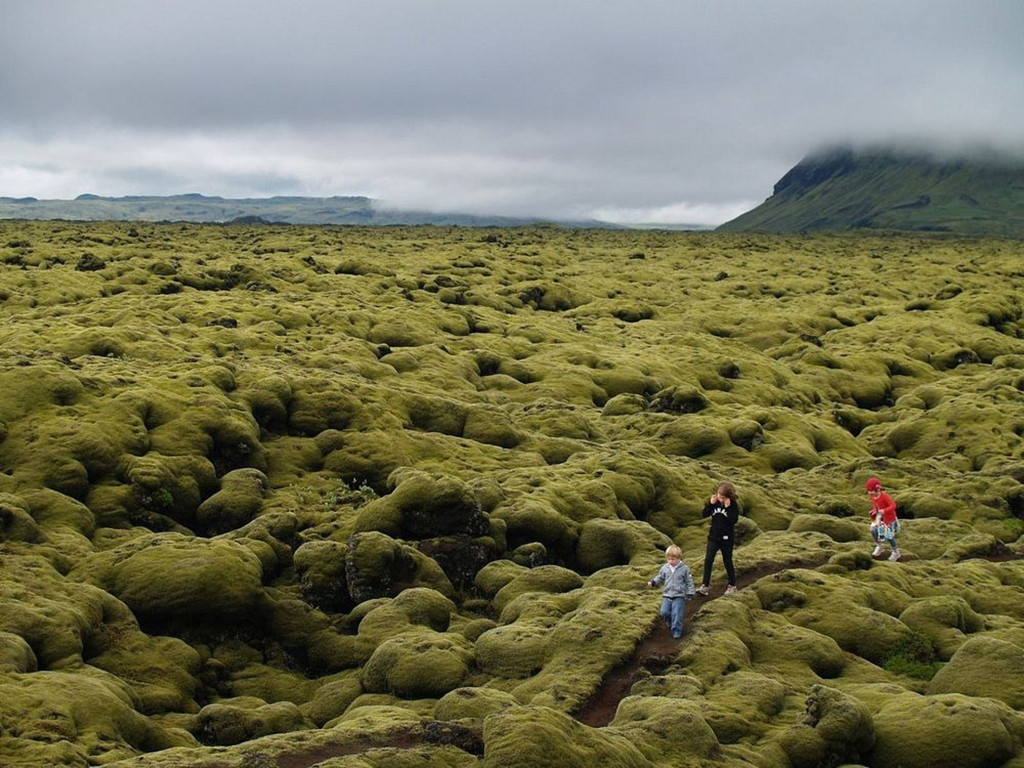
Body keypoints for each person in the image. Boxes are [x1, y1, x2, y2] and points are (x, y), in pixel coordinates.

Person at [697, 481, 740, 596]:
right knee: (708, 560)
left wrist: (728, 507)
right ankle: (705, 585)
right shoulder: (714, 502)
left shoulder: (733, 505)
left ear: (728, 497)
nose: (719, 498)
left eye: (722, 497)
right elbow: (704, 514)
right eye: (718, 495)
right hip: (713, 538)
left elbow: (734, 520)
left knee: (727, 561)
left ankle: (732, 585)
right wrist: (710, 504)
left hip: (727, 539)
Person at [648, 544, 695, 638]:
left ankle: (676, 631)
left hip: (679, 595)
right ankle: (670, 622)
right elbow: (660, 577)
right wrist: (653, 582)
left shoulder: (684, 569)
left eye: (673, 559)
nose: (670, 561)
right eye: (668, 559)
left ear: (679, 558)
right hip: (667, 594)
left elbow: (689, 581)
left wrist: (690, 592)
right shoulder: (665, 568)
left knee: (677, 614)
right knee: (664, 612)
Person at [866, 477, 901, 561]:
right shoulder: (873, 497)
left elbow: (893, 506)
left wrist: (884, 511)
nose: (869, 492)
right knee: (873, 530)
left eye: (871, 490)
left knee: (889, 536)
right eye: (868, 490)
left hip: (888, 518)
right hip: (879, 517)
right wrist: (874, 511)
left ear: (877, 490)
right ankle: (880, 546)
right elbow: (875, 505)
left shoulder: (884, 496)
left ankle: (896, 552)